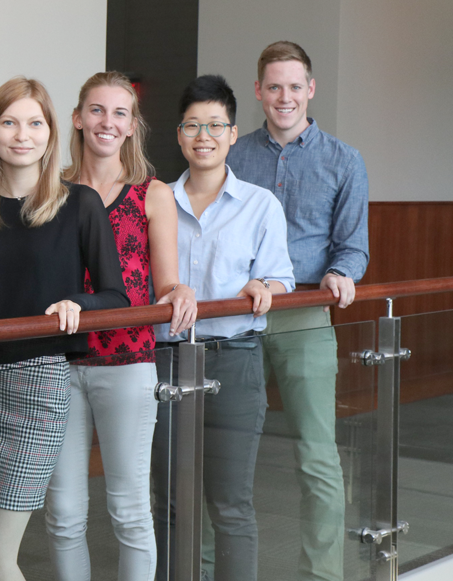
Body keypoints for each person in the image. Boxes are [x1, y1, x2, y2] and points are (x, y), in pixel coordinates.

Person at [0, 77, 130, 581]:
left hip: (37, 384)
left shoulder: (79, 203)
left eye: (35, 123)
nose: (22, 135)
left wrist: (79, 302)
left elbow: (116, 296)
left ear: (52, 133)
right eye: (9, 122)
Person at [43, 71, 196, 580]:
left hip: (128, 364)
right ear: (77, 118)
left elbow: (165, 282)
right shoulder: (52, 189)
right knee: (63, 513)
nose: (107, 122)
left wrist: (180, 291)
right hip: (59, 363)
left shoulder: (152, 193)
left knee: (128, 510)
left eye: (119, 113)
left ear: (132, 126)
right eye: (97, 110)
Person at [227, 41, 369, 581]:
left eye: (294, 86)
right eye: (273, 86)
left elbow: (353, 246)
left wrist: (341, 273)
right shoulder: (233, 155)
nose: (284, 97)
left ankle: (323, 575)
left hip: (305, 313)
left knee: (317, 455)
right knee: (224, 454)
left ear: (310, 89)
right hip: (237, 315)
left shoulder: (344, 159)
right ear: (258, 91)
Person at [151, 75, 295, 581]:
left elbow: (281, 278)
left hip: (233, 360)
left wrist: (264, 284)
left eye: (215, 125)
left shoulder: (260, 204)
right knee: (168, 501)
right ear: (179, 135)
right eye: (193, 125)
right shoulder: (156, 202)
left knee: (230, 503)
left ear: (233, 134)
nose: (204, 136)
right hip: (166, 362)